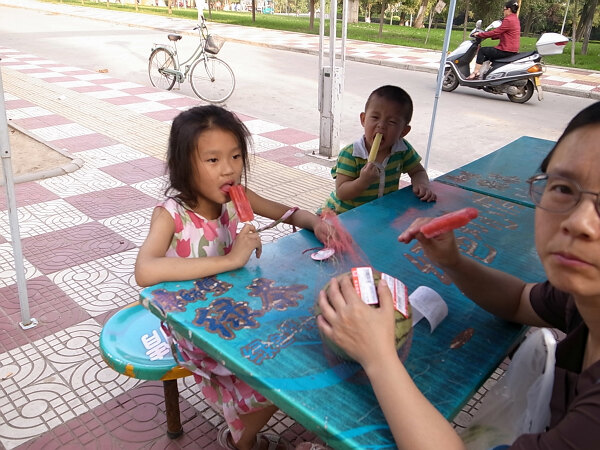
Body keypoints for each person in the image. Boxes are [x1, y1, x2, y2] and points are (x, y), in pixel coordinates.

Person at [315, 101, 600, 449]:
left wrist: (378, 356)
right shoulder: (583, 300)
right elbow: (521, 301)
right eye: (563, 189)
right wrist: (453, 261)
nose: (579, 222)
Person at [135, 105, 334, 450]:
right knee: (275, 381)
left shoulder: (234, 199)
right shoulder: (172, 215)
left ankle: (241, 420)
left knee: (306, 345)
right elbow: (145, 270)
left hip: (234, 312)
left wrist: (317, 223)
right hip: (193, 332)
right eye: (212, 160)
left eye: (236, 156)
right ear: (184, 164)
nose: (228, 170)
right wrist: (231, 259)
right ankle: (241, 439)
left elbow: (288, 212)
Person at [319, 85, 436, 215]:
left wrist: (422, 184)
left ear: (403, 131)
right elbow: (341, 192)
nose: (381, 125)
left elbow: (417, 171)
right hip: (341, 215)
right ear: (363, 119)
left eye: (391, 122)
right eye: (375, 117)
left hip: (376, 214)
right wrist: (362, 182)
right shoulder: (351, 154)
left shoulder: (402, 149)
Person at [467, 0, 521, 80]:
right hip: (512, 49)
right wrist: (492, 37)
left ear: (509, 9)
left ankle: (475, 72)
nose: (503, 12)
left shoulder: (508, 20)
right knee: (487, 56)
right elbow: (504, 33)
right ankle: (483, 76)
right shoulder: (515, 20)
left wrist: (480, 34)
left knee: (482, 51)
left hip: (506, 49)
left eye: (504, 9)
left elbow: (496, 31)